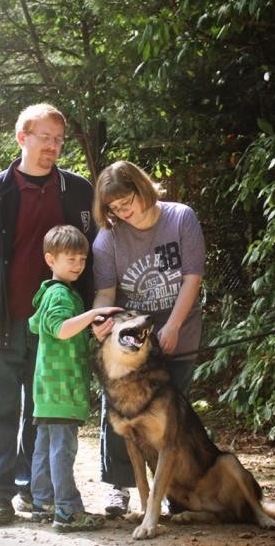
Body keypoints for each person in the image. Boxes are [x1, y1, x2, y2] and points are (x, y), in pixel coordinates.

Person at [0, 104, 96, 526]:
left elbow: (97, 251)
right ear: (22, 137)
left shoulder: (77, 191)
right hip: (0, 319)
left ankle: (36, 491)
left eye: (58, 139)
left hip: (56, 328)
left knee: (41, 411)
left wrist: (97, 314)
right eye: (44, 137)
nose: (52, 146)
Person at [90, 160, 206, 515]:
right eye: (114, 208)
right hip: (131, 349)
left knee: (172, 423)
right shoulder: (108, 238)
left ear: (142, 189)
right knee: (122, 414)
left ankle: (174, 494)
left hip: (179, 334)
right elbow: (106, 293)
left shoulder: (181, 217)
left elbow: (192, 277)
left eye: (127, 202)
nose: (122, 212)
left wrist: (171, 325)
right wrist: (99, 317)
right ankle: (118, 487)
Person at [27, 225, 122, 532]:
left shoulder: (52, 292)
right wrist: (95, 315)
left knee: (45, 446)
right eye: (71, 258)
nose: (79, 264)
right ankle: (67, 510)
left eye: (82, 258)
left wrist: (90, 329)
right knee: (61, 450)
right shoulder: (59, 295)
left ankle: (44, 502)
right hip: (61, 387)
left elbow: (42, 328)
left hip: (47, 388)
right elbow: (60, 328)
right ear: (50, 259)